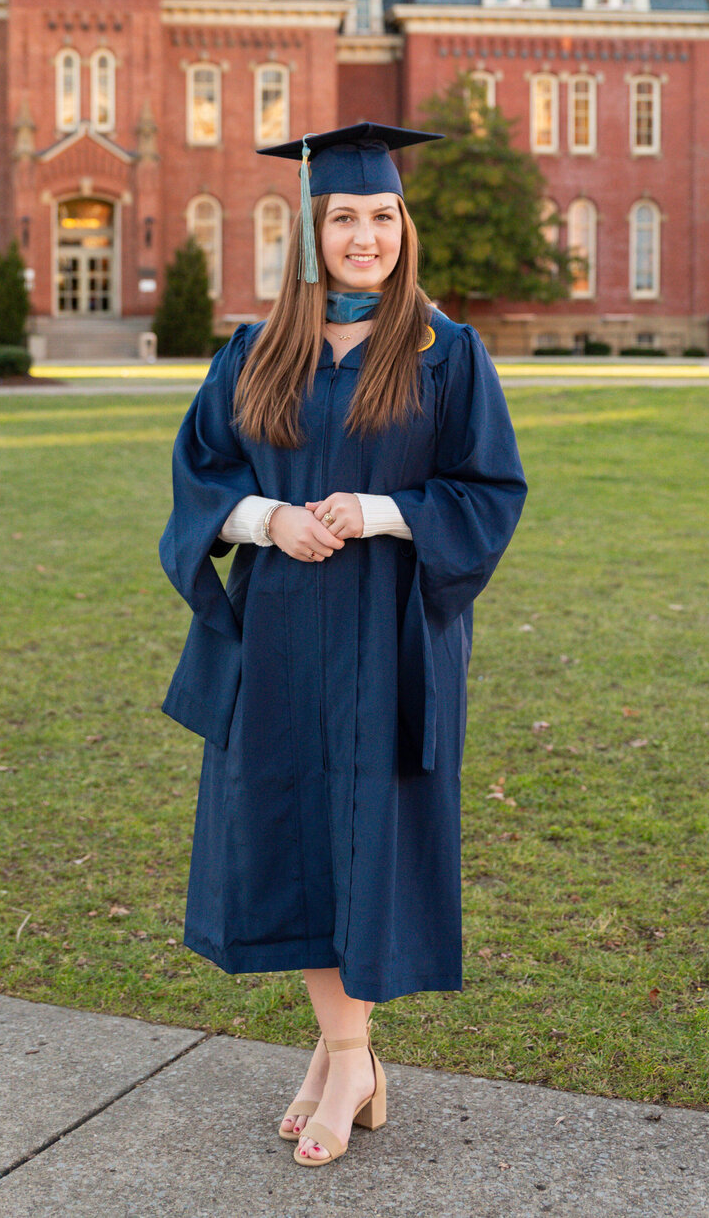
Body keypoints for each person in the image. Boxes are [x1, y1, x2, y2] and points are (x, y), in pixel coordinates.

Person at [159, 121, 526, 1167]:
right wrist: (268, 522)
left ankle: (344, 1058)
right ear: (312, 231)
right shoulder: (256, 350)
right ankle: (345, 1052)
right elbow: (202, 481)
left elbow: (487, 493)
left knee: (365, 832)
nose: (363, 238)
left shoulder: (447, 355)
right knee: (296, 836)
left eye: (380, 217)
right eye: (343, 219)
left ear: (404, 228)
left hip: (389, 633)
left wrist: (374, 509)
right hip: (278, 631)